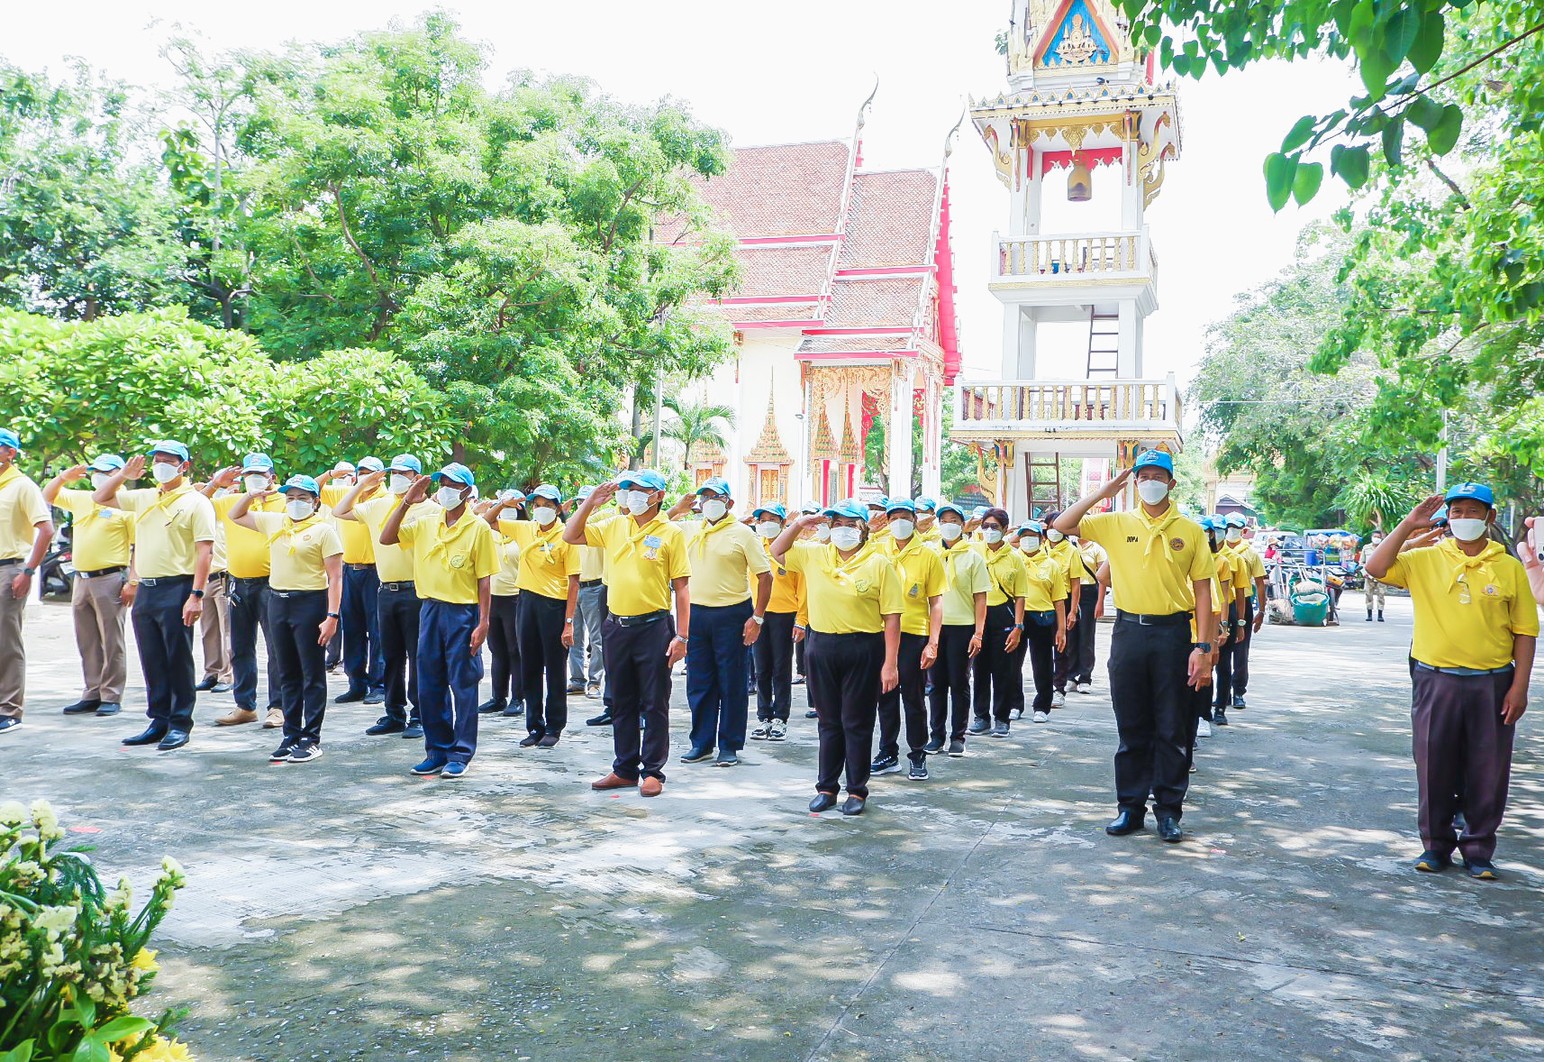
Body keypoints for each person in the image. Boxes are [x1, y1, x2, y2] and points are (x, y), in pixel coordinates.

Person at [1366, 484, 1536, 880]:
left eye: (1473, 511)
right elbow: (1375, 568)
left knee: (1488, 768)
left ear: (1490, 517)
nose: (1464, 519)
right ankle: (1435, 845)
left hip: (1493, 681)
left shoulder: (1508, 566)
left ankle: (1478, 849)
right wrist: (1409, 525)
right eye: (1457, 511)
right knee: (1433, 763)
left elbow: (1525, 631)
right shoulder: (1425, 558)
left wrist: (1520, 687)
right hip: (1435, 679)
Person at [1052, 449, 1215, 844]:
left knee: (1172, 726)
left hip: (1173, 633)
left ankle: (1169, 811)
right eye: (1144, 477)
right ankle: (1130, 807)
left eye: (1158, 476)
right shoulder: (1116, 523)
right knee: (1132, 724)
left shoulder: (1190, 530)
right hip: (1129, 633)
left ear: (1171, 483)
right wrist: (1103, 492)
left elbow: (1203, 592)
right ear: (1135, 482)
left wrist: (1204, 647)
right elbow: (1062, 524)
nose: (1151, 483)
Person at [566, 470, 690, 798]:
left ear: (658, 496)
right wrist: (591, 503)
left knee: (654, 701)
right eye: (629, 489)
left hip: (654, 627)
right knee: (621, 700)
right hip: (616, 626)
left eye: (641, 489)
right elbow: (571, 535)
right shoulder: (615, 525)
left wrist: (682, 636)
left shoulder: (671, 532)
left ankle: (652, 772)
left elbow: (681, 587)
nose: (633, 494)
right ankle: (624, 769)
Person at [771, 500, 900, 815]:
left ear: (863, 529)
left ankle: (856, 790)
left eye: (851, 524)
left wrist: (890, 663)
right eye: (838, 524)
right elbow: (776, 550)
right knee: (828, 721)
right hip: (822, 645)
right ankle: (827, 788)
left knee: (856, 722)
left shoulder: (879, 563)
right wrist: (800, 524)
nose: (844, 530)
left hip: (863, 646)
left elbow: (892, 617)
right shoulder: (815, 553)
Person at [94, 442, 217, 752]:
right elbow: (100, 497)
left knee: (177, 658)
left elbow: (205, 551)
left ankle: (180, 722)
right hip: (147, 588)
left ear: (184, 466)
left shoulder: (196, 502)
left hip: (178, 586)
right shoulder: (146, 496)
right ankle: (159, 719)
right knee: (152, 658)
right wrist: (123, 475)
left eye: (168, 461)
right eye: (157, 460)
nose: (161, 465)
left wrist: (196, 594)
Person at [381, 463, 498, 779]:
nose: (445, 489)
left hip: (462, 612)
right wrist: (407, 501)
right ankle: (437, 750)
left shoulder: (478, 528)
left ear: (466, 491)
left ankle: (461, 753)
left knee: (463, 684)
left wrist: (483, 622)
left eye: (452, 484)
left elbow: (484, 579)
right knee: (429, 683)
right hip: (430, 609)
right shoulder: (426, 522)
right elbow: (387, 537)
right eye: (442, 483)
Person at [228, 475, 343, 763]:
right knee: (287, 672)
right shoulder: (276, 522)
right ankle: (290, 735)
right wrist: (252, 494)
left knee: (311, 674)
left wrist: (332, 615)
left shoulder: (323, 530)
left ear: (315, 502)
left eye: (302, 498)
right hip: (278, 601)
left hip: (310, 602)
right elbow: (235, 515)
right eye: (290, 498)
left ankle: (311, 738)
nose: (295, 503)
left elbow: (335, 577)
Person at [668, 477, 771, 767]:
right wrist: (678, 509)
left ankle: (729, 745)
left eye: (717, 497)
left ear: (729, 502)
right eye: (706, 497)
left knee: (732, 682)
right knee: (699, 682)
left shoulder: (743, 533)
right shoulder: (690, 529)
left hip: (732, 614)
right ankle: (701, 743)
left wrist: (757, 617)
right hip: (697, 614)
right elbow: (656, 525)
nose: (710, 502)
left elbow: (765, 576)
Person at [335, 456, 435, 739]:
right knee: (391, 656)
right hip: (385, 590)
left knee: (418, 657)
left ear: (417, 477)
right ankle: (394, 713)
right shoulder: (378, 504)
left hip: (416, 591)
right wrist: (362, 484)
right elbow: (340, 510)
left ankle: (419, 715)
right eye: (394, 473)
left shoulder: (431, 510)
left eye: (404, 473)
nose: (398, 477)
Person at [44, 455, 131, 718]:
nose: (98, 475)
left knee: (111, 639)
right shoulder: (83, 498)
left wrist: (133, 581)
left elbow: (138, 545)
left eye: (106, 472)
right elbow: (48, 495)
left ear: (119, 473)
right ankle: (92, 691)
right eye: (95, 471)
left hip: (110, 578)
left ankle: (111, 694)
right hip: (82, 579)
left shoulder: (126, 503)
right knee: (87, 639)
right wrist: (63, 477)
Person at [203, 455, 286, 728]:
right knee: (240, 648)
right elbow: (195, 505)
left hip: (272, 584)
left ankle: (278, 706)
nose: (254, 479)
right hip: (238, 584)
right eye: (249, 474)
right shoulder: (232, 501)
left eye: (260, 474)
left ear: (272, 477)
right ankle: (245, 705)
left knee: (277, 649)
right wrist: (215, 484)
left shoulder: (286, 501)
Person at [495, 484, 580, 748]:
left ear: (558, 508)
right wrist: (504, 503)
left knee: (555, 668)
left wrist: (569, 622)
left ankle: (554, 726)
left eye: (548, 505)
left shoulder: (566, 535)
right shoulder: (526, 529)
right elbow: (487, 521)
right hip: (526, 602)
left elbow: (574, 581)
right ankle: (534, 725)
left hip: (554, 606)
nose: (542, 509)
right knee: (529, 666)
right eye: (537, 505)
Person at [873, 499, 943, 780]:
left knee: (913, 698)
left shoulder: (928, 555)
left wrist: (933, 642)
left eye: (904, 517)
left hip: (914, 633)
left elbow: (936, 602)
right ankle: (888, 752)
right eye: (894, 518)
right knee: (885, 695)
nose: (899, 522)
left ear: (915, 520)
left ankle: (917, 753)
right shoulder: (878, 549)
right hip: (881, 632)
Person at [0, 428, 55, 735]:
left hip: (9, 569)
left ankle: (9, 709)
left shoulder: (22, 486)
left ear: (10, 453)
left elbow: (46, 530)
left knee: (6, 641)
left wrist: (29, 571)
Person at [321, 457, 387, 705]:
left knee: (377, 630)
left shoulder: (386, 498)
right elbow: (314, 489)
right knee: (352, 629)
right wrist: (331, 473)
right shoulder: (347, 494)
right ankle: (356, 683)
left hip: (375, 571)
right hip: (350, 570)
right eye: (362, 472)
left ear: (381, 476)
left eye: (371, 473)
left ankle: (379, 684)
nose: (366, 477)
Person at [927, 502, 987, 757]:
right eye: (944, 521)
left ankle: (958, 736)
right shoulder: (931, 554)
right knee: (936, 684)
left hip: (962, 627)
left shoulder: (973, 557)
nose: (948, 525)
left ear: (963, 525)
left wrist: (978, 633)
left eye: (953, 521)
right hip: (935, 628)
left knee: (959, 682)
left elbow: (980, 598)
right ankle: (936, 735)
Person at [968, 508, 1026, 739]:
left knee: (1004, 671)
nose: (989, 531)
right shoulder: (974, 551)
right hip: (978, 616)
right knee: (979, 669)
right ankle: (981, 717)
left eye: (995, 527)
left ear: (1005, 529)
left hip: (1004, 615)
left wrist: (1018, 627)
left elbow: (1020, 595)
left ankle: (1002, 719)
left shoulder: (1015, 557)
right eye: (986, 526)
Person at [749, 503, 804, 742]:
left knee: (781, 668)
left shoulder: (793, 550)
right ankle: (764, 716)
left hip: (785, 615)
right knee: (762, 668)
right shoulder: (754, 547)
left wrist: (801, 620)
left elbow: (803, 588)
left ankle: (781, 717)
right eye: (762, 520)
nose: (767, 524)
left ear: (782, 523)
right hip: (759, 615)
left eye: (772, 520)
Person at [1014, 519, 1069, 724]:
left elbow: (1059, 599)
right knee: (1012, 663)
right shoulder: (1013, 560)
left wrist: (1061, 629)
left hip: (1043, 618)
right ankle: (1014, 704)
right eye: (1024, 536)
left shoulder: (1051, 564)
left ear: (1041, 539)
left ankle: (1042, 706)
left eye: (1032, 536)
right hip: (1017, 617)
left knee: (1042, 664)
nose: (1028, 540)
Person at [477, 490, 525, 718]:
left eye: (511, 507)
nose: (507, 512)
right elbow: (482, 521)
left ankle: (518, 698)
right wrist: (499, 504)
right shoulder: (489, 532)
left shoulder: (525, 532)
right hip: (493, 598)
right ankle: (498, 697)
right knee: (496, 649)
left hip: (515, 598)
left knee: (515, 649)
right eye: (504, 507)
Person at [1221, 513, 1268, 710]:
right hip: (1222, 603)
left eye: (1236, 527)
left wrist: (1261, 611)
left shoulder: (1250, 553)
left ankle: (1238, 691)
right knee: (1221, 650)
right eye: (1229, 526)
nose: (1232, 530)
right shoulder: (1217, 550)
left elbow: (1260, 583)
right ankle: (1222, 694)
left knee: (1241, 650)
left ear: (1244, 531)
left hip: (1243, 603)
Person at [1208, 518, 1250, 727]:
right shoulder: (1198, 555)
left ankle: (1220, 708)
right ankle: (1202, 709)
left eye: (1219, 530)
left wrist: (1240, 623)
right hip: (1201, 611)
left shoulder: (1234, 559)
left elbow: (1240, 592)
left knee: (1223, 663)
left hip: (1227, 611)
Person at [1041, 513, 1084, 708]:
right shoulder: (1040, 548)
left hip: (1063, 601)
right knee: (1041, 648)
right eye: (1050, 527)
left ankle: (1058, 688)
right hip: (1042, 602)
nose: (1054, 531)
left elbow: (1075, 584)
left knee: (1061, 647)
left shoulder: (1071, 551)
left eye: (1058, 527)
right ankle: (1044, 688)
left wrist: (1072, 611)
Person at [568, 485, 607, 700]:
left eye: (586, 501)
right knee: (573, 636)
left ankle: (595, 681)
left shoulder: (601, 525)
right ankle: (576, 679)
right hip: (573, 586)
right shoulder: (571, 525)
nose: (582, 505)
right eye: (579, 502)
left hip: (594, 587)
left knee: (596, 637)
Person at [1070, 533, 1107, 693]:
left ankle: (1085, 677)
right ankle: (1070, 676)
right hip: (1071, 592)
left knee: (1086, 636)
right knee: (1070, 635)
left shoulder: (1097, 548)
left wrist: (1100, 601)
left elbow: (1102, 578)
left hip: (1089, 593)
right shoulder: (1070, 545)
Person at [1361, 531, 1387, 622]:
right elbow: (1362, 562)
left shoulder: (1384, 548)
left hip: (1381, 575)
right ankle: (1369, 615)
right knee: (1368, 594)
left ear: (1381, 538)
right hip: (1368, 575)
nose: (1376, 539)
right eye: (1375, 536)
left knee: (1381, 594)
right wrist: (1364, 573)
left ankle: (1380, 615)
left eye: (1378, 537)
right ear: (1372, 537)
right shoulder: (1366, 548)